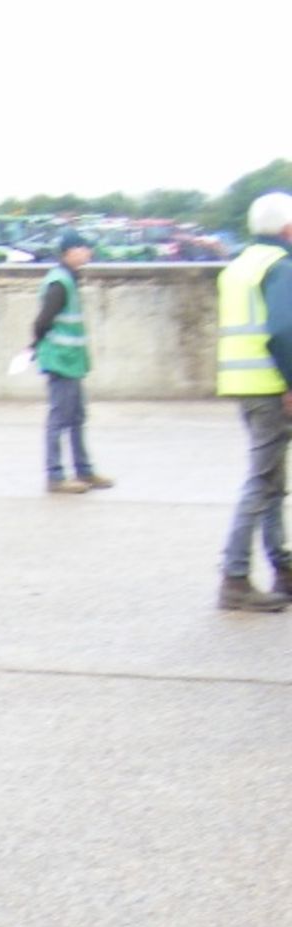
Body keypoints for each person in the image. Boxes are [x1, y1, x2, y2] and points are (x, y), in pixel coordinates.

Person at [214, 192, 292, 612]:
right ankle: (236, 576)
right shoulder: (280, 266)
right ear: (287, 229)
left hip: (242, 383)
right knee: (263, 483)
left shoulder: (239, 266)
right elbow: (283, 330)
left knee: (272, 482)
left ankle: (283, 567)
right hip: (269, 385)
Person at [32, 231, 115, 495]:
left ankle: (84, 470)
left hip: (71, 360)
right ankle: (55, 476)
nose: (88, 252)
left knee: (77, 417)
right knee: (60, 418)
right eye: (83, 248)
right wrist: (40, 345)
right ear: (69, 252)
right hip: (61, 360)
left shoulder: (68, 279)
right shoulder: (60, 283)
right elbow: (42, 321)